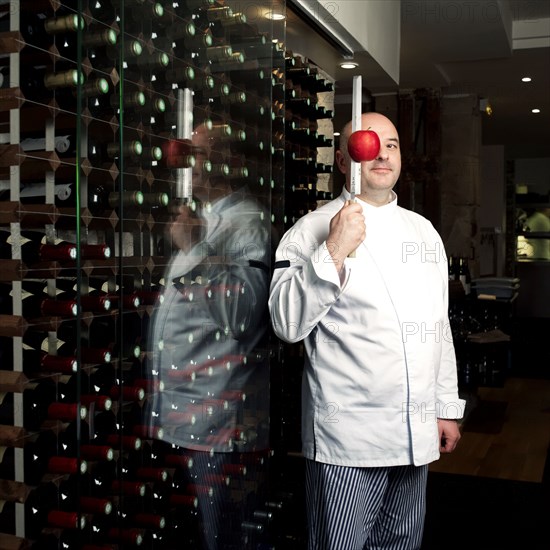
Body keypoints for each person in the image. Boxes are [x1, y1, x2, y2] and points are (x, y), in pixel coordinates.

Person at [268, 111, 465, 550]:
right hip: (347, 443)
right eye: (369, 142)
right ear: (343, 160)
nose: (382, 153)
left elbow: (438, 326)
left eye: (392, 144)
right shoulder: (312, 229)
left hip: (415, 437)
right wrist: (334, 249)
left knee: (401, 544)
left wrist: (446, 406)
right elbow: (285, 324)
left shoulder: (424, 232)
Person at [146, 122, 273, 549]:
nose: (191, 162)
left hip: (217, 420)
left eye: (202, 152)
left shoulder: (248, 222)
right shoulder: (205, 219)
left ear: (231, 161)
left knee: (225, 536)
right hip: (186, 413)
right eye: (190, 153)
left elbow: (241, 316)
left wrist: (194, 250)